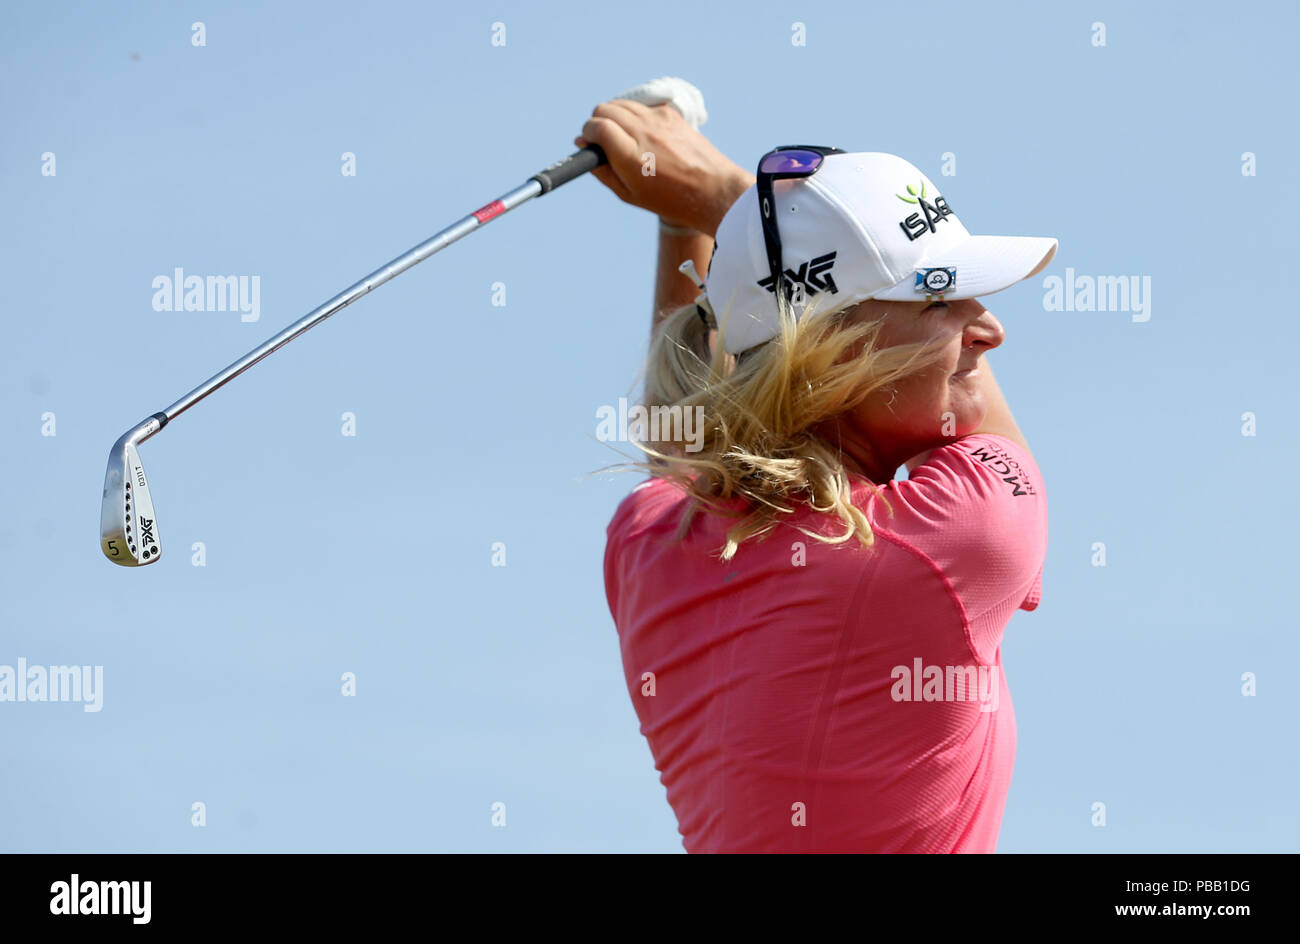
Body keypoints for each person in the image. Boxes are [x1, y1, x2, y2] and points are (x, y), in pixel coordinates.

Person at [579, 97, 1057, 853]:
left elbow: (688, 442)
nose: (989, 328)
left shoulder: (643, 541)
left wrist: (699, 228)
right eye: (937, 296)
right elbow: (983, 424)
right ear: (829, 350)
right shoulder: (949, 541)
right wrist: (712, 195)